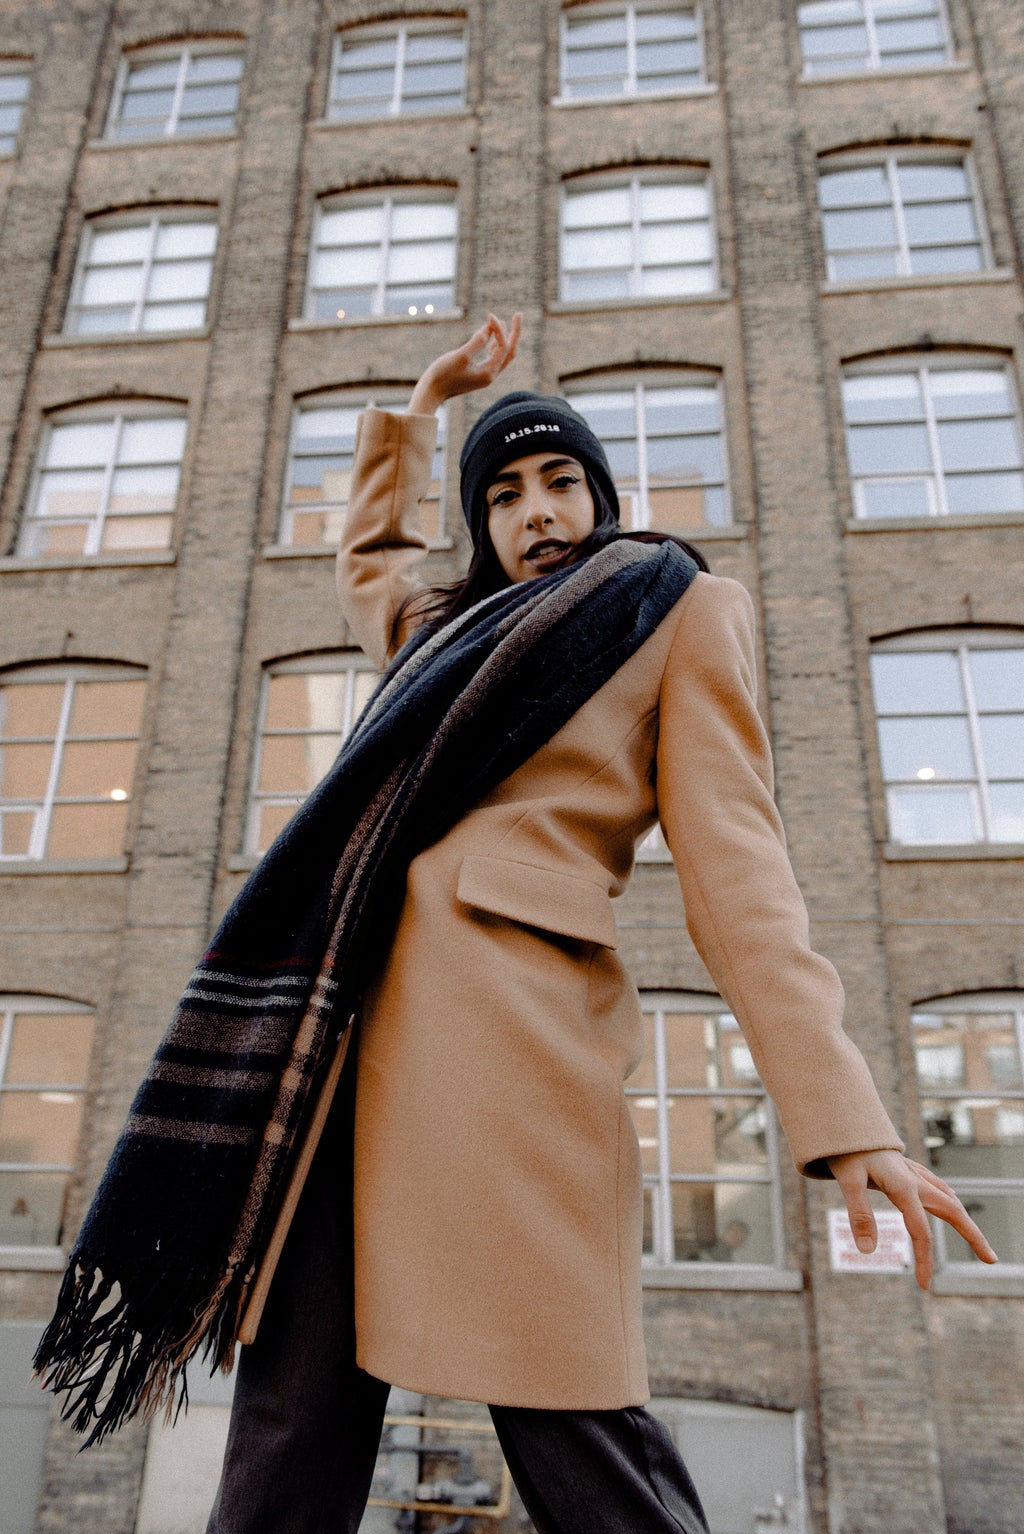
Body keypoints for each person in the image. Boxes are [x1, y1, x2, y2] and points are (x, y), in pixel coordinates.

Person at [35, 314, 996, 1534]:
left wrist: (841, 1117)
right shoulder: (439, 637)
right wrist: (417, 408)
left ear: (600, 495)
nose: (535, 510)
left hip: (511, 1049)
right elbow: (372, 555)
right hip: (335, 1059)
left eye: (559, 482)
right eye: (502, 494)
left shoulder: (672, 610)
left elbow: (741, 875)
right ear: (481, 525)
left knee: (567, 1411)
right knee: (290, 1421)